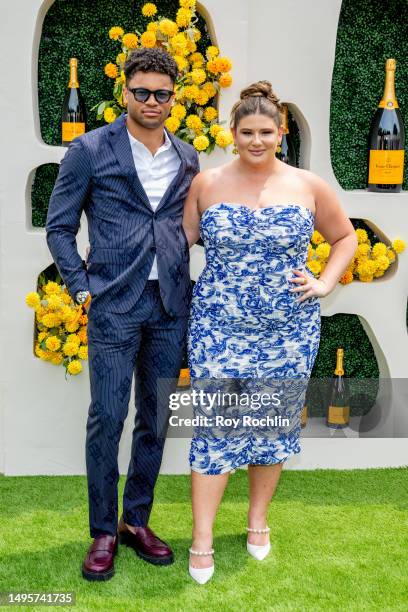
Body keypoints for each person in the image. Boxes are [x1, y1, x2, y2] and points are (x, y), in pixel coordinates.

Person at [182, 80, 357, 583]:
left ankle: (257, 522)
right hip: (218, 328)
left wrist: (324, 281)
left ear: (281, 133)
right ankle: (202, 539)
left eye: (266, 131)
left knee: (271, 429)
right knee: (216, 428)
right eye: (246, 131)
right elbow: (177, 244)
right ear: (232, 133)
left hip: (288, 330)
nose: (256, 140)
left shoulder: (308, 185)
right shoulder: (206, 184)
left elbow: (344, 237)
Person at [46, 47, 200, 581]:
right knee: (107, 421)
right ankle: (104, 531)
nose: (151, 101)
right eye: (142, 92)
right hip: (113, 306)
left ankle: (137, 522)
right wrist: (82, 288)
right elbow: (59, 227)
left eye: (161, 93)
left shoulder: (188, 157)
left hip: (169, 308)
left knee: (154, 422)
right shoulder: (88, 149)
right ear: (125, 93)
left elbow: (185, 224)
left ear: (173, 98)